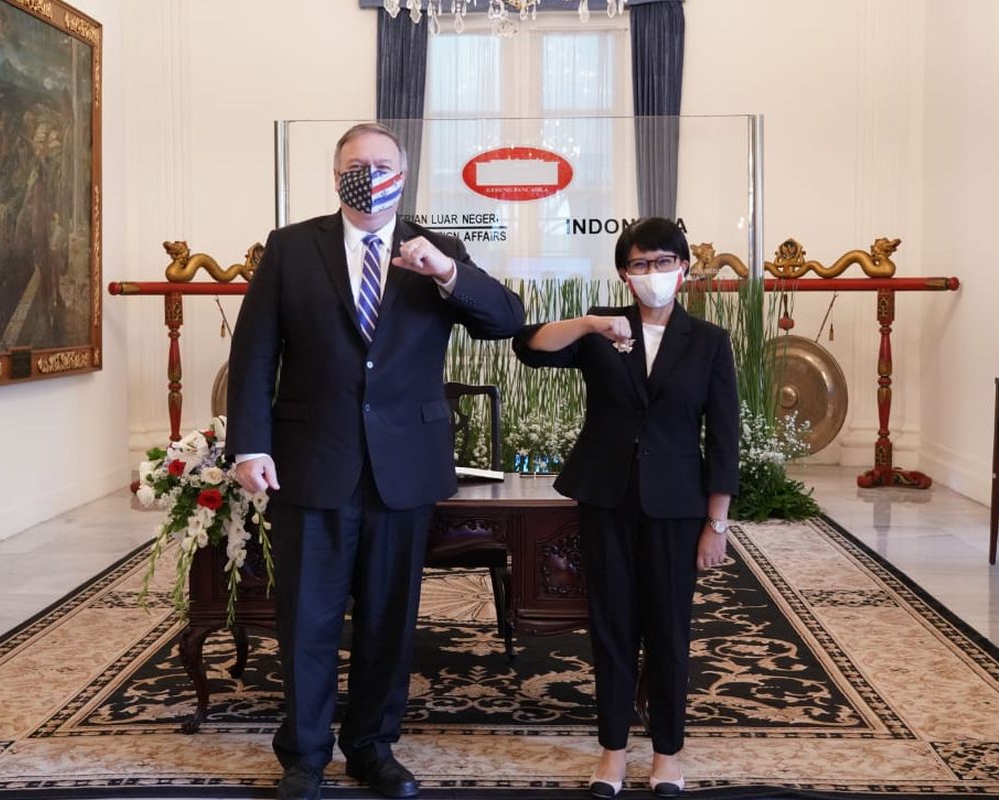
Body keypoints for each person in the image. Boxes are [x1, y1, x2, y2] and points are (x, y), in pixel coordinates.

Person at [226, 122, 524, 800]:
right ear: (336, 176)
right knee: (308, 617)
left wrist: (447, 273)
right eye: (356, 164)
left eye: (382, 163)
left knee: (391, 618)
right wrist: (250, 444)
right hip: (310, 460)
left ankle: (371, 748)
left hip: (403, 467)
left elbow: (506, 318)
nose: (369, 172)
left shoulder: (438, 248)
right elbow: (254, 354)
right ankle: (303, 756)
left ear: (404, 171)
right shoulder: (291, 247)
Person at [512, 217, 739, 798]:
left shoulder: (709, 342)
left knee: (668, 629)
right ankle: (612, 752)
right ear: (623, 272)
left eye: (664, 262)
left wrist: (717, 523)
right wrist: (590, 323)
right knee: (611, 628)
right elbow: (528, 346)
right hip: (606, 497)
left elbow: (725, 439)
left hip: (675, 506)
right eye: (639, 264)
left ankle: (667, 754)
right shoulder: (601, 332)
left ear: (684, 270)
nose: (652, 274)